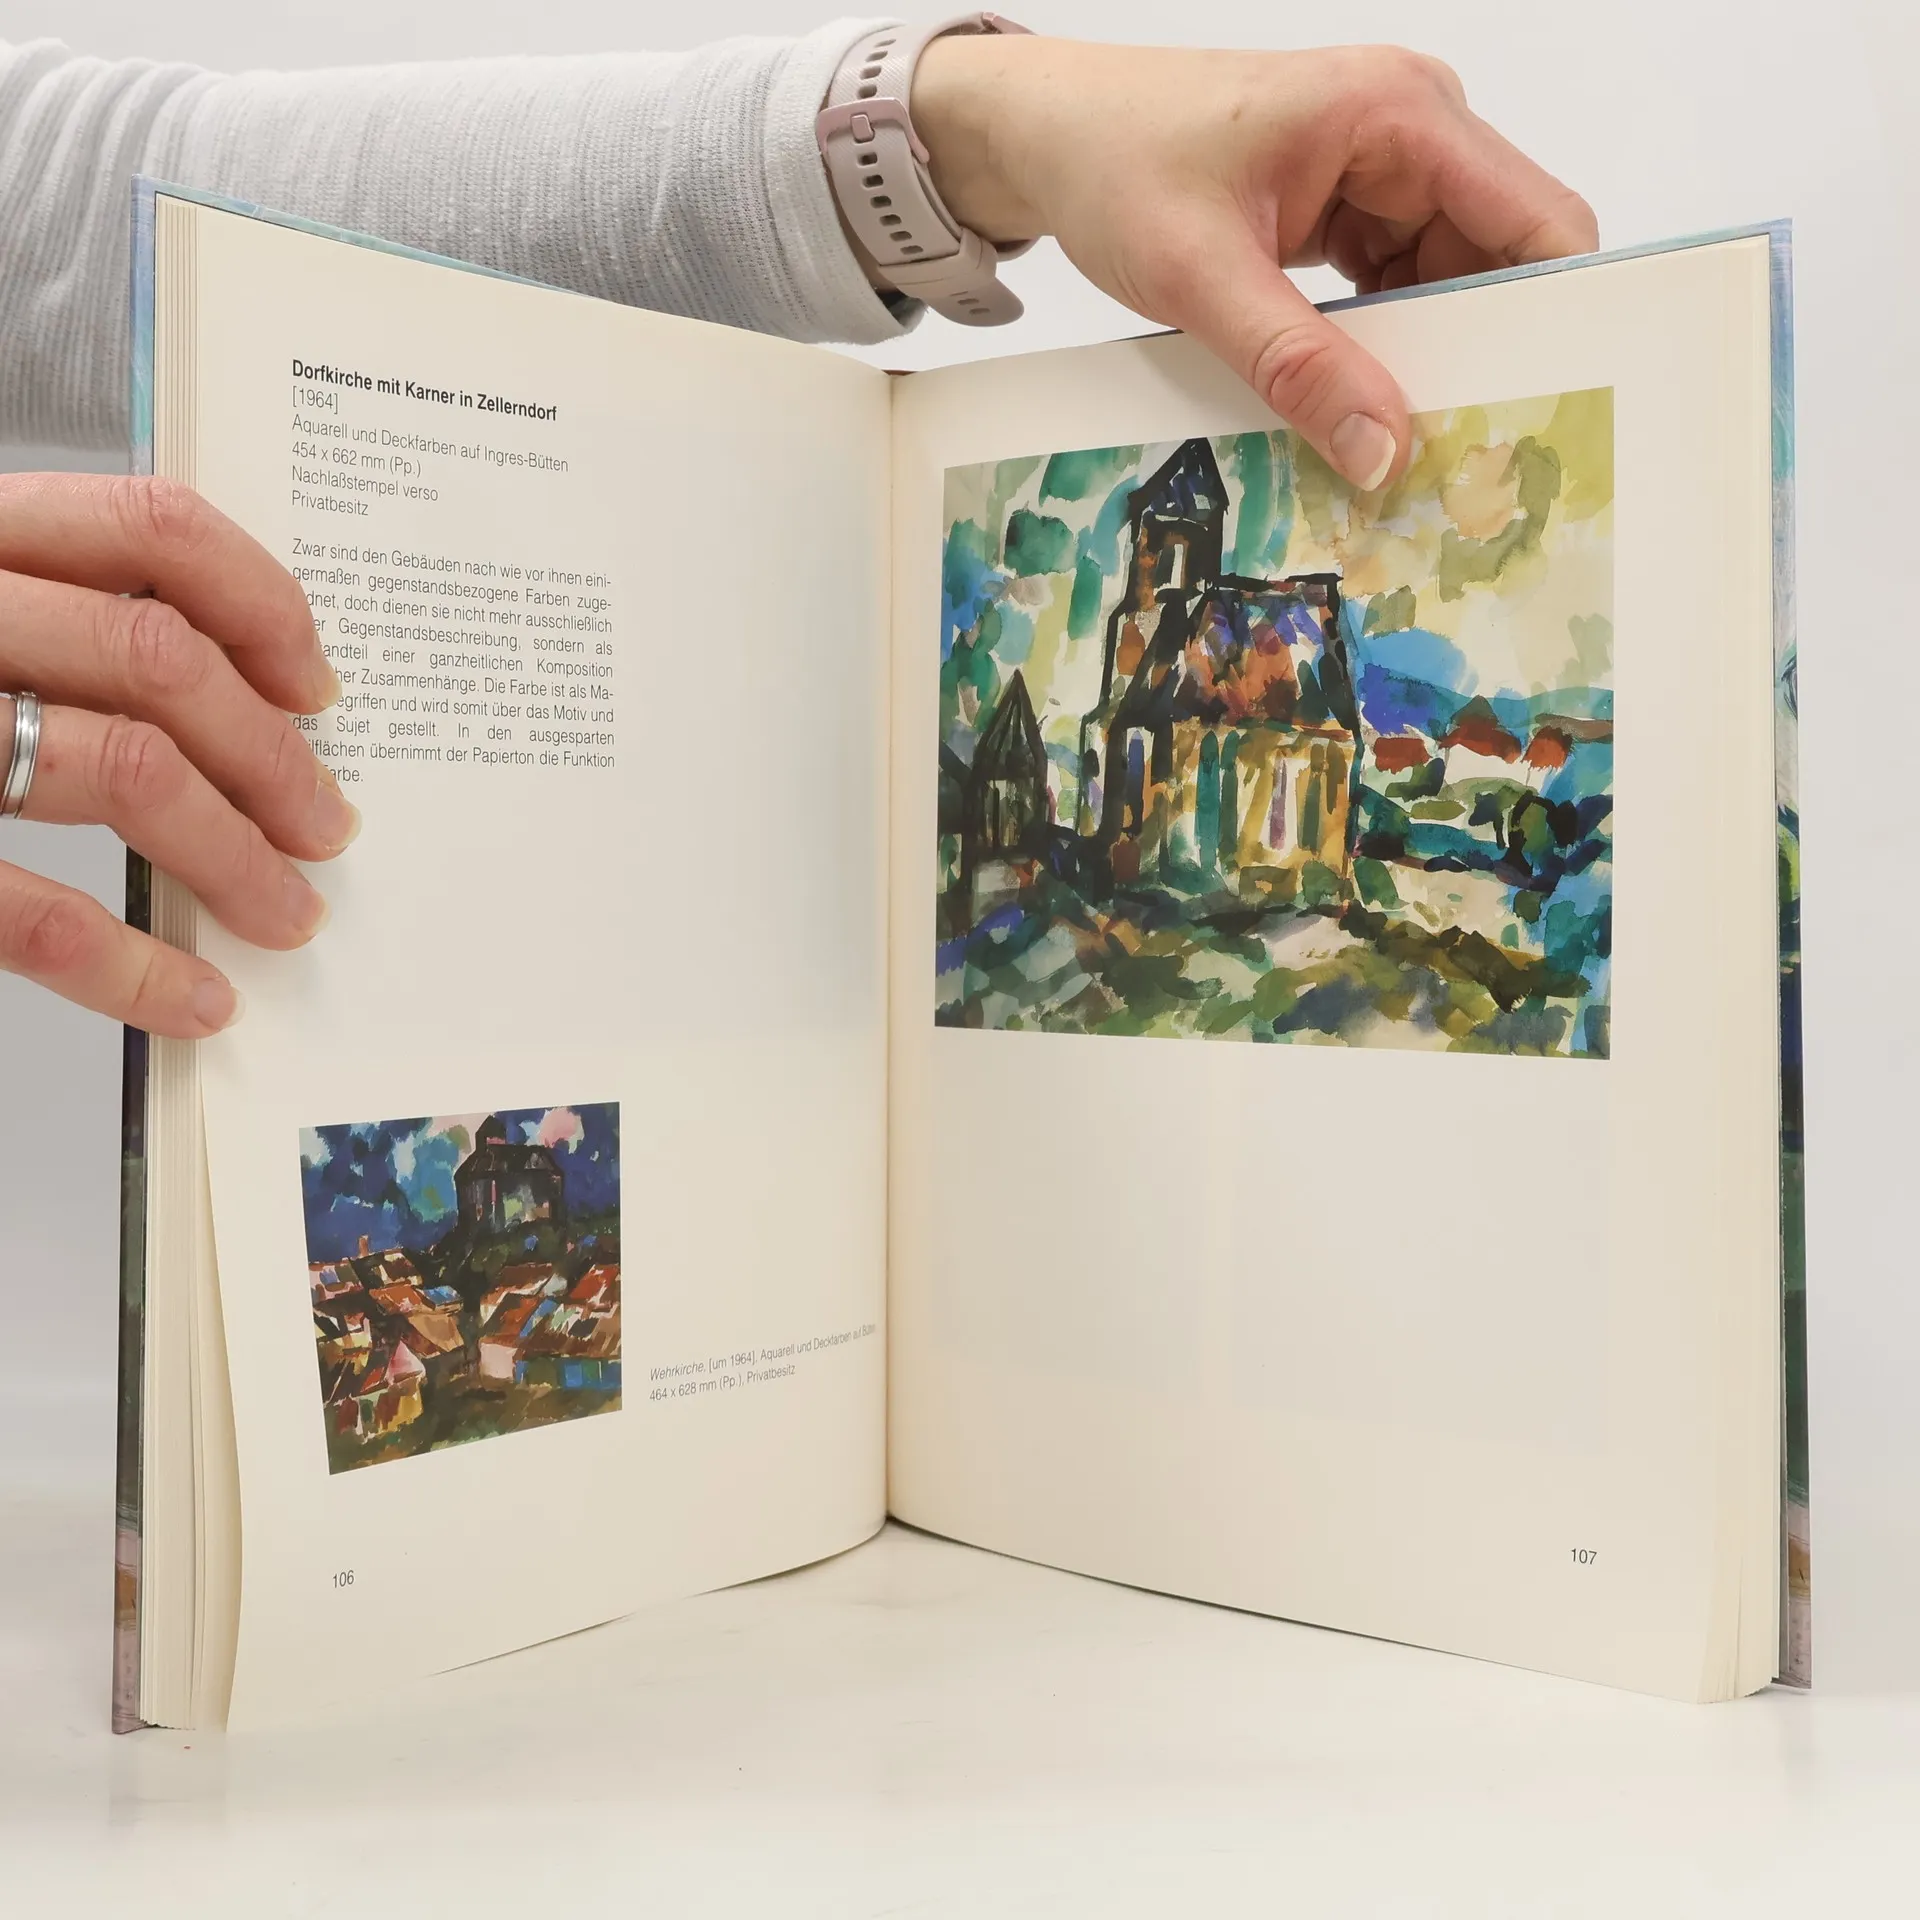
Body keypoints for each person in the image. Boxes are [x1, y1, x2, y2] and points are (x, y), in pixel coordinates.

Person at [0, 22, 1595, 1037]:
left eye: (1177, 545)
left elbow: (79, 202)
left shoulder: (1248, 637)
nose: (1165, 563)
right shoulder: (1159, 649)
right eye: (1163, 548)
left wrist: (980, 122)